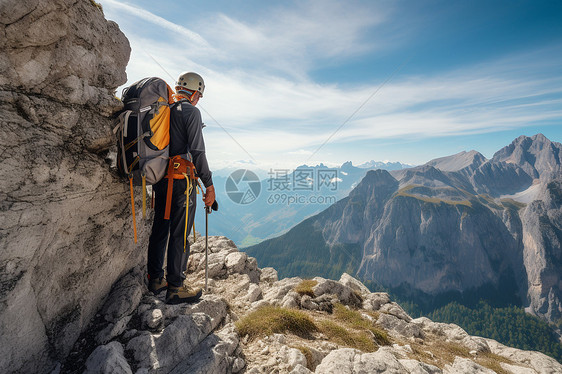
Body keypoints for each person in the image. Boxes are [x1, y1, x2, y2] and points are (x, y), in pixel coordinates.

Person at [146, 72, 215, 304]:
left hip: (160, 178)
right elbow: (198, 152)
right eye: (199, 96)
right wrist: (209, 185)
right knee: (180, 233)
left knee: (160, 228)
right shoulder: (191, 112)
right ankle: (176, 287)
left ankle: (155, 279)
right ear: (195, 93)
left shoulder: (164, 109)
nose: (198, 100)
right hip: (182, 181)